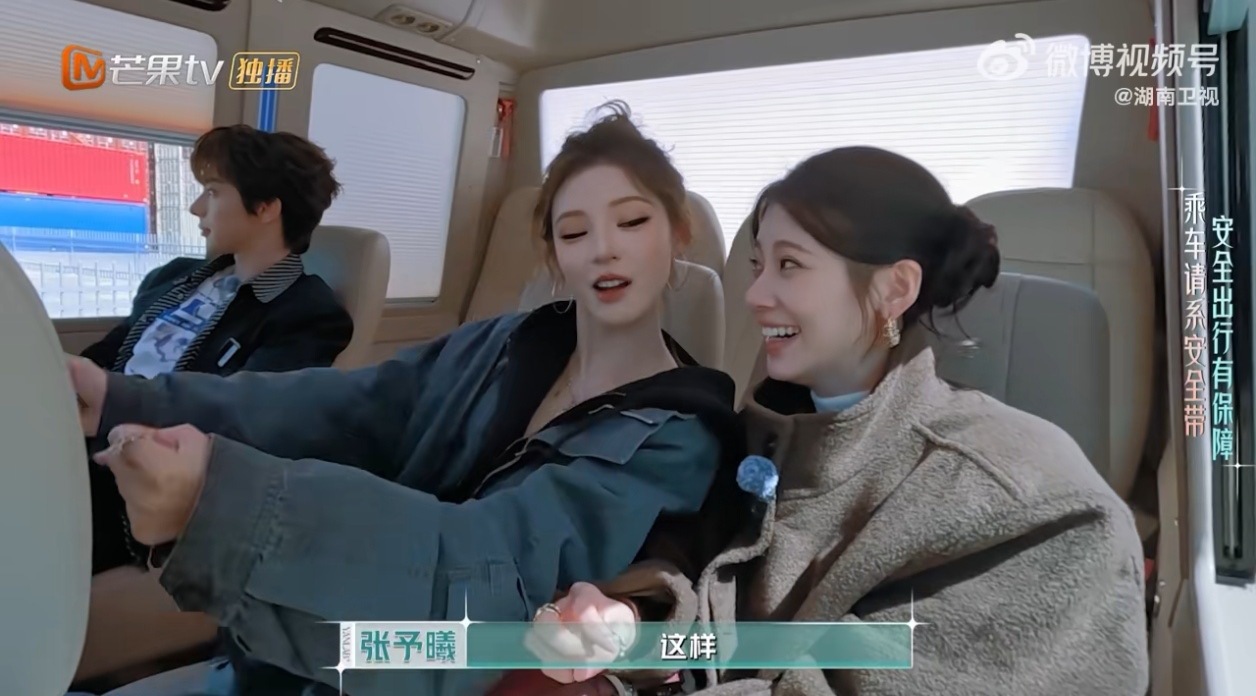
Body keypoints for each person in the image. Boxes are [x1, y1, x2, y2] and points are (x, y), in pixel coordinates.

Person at [65, 103, 742, 696]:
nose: (604, 251)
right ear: (553, 254)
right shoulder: (504, 344)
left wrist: (221, 501)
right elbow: (346, 403)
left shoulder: (679, 435)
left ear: (678, 233)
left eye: (632, 222)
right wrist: (126, 399)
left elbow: (494, 565)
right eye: (574, 232)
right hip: (294, 655)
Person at [522, 147, 1150, 696]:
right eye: (758, 265)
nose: (755, 295)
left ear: (894, 289)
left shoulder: (1035, 505)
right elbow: (696, 594)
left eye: (790, 265)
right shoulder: (751, 439)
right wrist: (629, 620)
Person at [83, 124, 354, 574]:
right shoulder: (174, 276)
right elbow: (109, 352)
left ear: (266, 208)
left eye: (212, 191)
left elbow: (240, 419)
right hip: (83, 432)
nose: (195, 207)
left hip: (133, 465)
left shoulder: (305, 314)